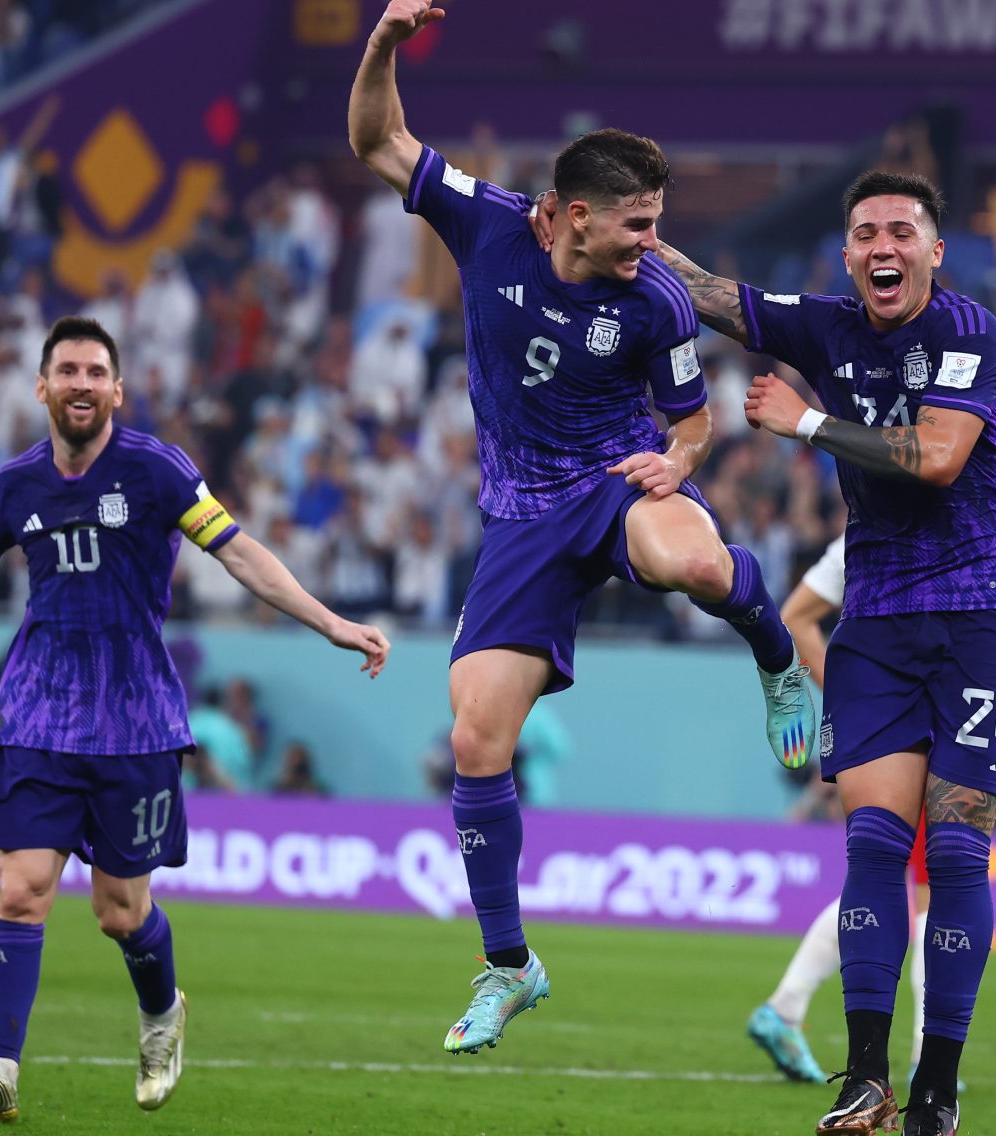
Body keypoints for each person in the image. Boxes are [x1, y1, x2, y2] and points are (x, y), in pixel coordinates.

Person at [350, 1, 815, 1056]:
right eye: (637, 224)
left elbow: (693, 419)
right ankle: (509, 963)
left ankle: (778, 655)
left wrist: (682, 457)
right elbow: (378, 140)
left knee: (694, 559)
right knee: (476, 737)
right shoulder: (486, 222)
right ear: (564, 214)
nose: (655, 244)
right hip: (520, 510)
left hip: (615, 476)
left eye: (658, 221)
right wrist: (383, 41)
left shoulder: (655, 299)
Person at [0, 317, 390, 1121]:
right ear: (42, 387)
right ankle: (0, 1070)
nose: (81, 383)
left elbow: (240, 551)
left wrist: (329, 622)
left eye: (95, 372)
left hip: (134, 719)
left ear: (117, 389)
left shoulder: (157, 471)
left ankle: (161, 1013)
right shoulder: (13, 487)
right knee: (22, 891)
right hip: (37, 713)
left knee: (120, 911)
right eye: (67, 370)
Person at [642, 172, 996, 1134]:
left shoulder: (970, 334)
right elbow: (706, 291)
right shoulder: (825, 326)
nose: (884, 246)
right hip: (876, 617)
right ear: (847, 251)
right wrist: (624, 230)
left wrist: (807, 423)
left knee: (955, 850)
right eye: (866, 230)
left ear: (933, 251)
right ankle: (865, 1076)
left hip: (987, 612)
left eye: (903, 232)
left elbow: (943, 457)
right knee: (871, 845)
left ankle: (938, 1091)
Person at [747, 536, 954, 1096]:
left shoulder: (860, 534)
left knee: (883, 881)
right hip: (920, 738)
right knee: (923, 891)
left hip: (887, 732)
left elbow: (794, 617)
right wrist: (864, 705)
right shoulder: (943, 528)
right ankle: (922, 1060)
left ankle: (785, 1007)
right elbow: (794, 619)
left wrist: (857, 705)